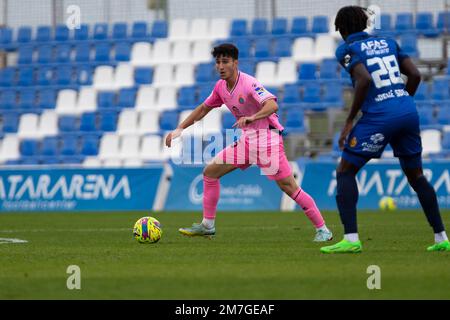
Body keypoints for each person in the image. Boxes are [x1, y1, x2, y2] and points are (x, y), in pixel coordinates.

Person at [165, 43, 332, 242]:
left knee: (289, 187)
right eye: (218, 62)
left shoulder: (249, 83)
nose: (220, 66)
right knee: (210, 172)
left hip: (267, 142)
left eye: (225, 62)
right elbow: (203, 108)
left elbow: (272, 104)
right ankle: (207, 225)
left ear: (235, 63)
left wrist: (253, 118)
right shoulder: (220, 87)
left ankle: (323, 229)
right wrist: (180, 128)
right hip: (247, 141)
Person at [320, 6, 449, 253]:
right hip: (407, 109)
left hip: (379, 115)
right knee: (416, 176)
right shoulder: (388, 41)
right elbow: (415, 75)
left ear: (342, 29)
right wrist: (401, 102)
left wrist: (349, 121)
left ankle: (351, 239)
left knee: (345, 171)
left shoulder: (346, 48)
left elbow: (365, 80)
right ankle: (441, 237)